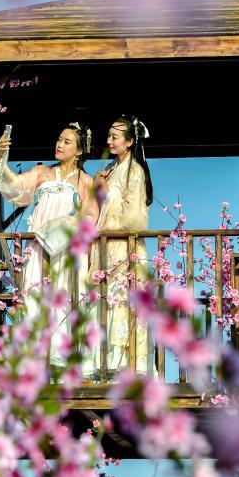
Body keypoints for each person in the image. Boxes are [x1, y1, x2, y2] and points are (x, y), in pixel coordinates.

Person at [0, 123, 98, 368]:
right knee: (34, 295)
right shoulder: (41, 173)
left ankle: (62, 360)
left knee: (65, 296)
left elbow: (91, 216)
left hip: (68, 248)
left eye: (67, 141)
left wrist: (69, 225)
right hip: (39, 246)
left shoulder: (86, 182)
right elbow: (13, 187)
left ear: (80, 150)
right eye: (59, 139)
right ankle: (34, 360)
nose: (59, 145)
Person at [90, 115, 154, 376]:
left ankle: (125, 368)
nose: (109, 141)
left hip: (124, 248)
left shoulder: (134, 172)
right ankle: (107, 365)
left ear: (129, 141)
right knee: (108, 303)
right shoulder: (112, 170)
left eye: (114, 137)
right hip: (107, 247)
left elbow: (134, 219)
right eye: (109, 136)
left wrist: (103, 230)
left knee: (123, 304)